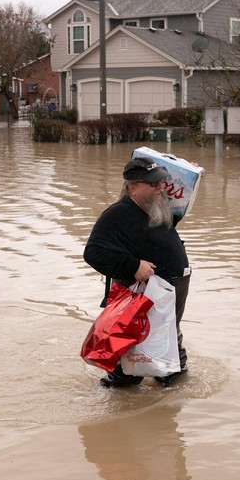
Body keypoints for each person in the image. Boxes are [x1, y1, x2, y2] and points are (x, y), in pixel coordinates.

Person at [84, 156, 192, 388]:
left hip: (170, 287)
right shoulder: (117, 214)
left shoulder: (159, 205)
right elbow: (93, 253)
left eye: (162, 182)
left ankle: (172, 382)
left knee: (167, 337)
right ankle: (119, 396)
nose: (160, 187)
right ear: (132, 187)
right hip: (145, 291)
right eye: (153, 184)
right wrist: (133, 266)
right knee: (135, 346)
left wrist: (190, 177)